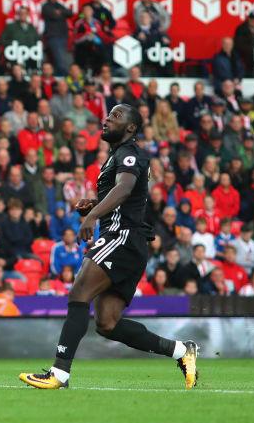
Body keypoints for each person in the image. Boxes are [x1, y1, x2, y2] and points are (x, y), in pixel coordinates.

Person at [20, 104, 199, 391]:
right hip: (131, 242)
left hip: (121, 237)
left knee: (79, 292)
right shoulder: (120, 155)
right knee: (107, 322)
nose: (107, 119)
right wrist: (94, 204)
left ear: (131, 127)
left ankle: (59, 373)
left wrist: (92, 216)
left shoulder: (129, 155)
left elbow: (125, 189)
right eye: (108, 114)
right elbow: (127, 194)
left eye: (115, 116)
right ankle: (181, 351)